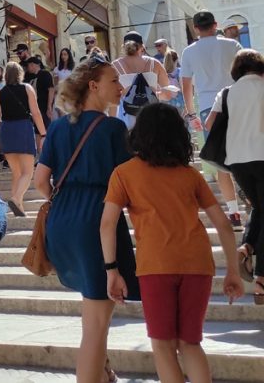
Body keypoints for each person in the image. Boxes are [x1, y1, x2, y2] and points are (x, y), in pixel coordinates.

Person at [102, 103, 243, 383]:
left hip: (156, 265)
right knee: (190, 342)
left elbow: (107, 224)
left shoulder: (124, 173)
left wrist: (112, 270)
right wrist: (233, 272)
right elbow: (224, 225)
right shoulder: (189, 175)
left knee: (163, 346)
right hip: (197, 264)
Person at [33, 56, 139, 383]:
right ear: (93, 86)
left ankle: (104, 372)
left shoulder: (59, 126)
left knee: (91, 310)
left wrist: (62, 202)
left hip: (62, 218)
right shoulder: (113, 128)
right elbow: (129, 183)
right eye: (113, 81)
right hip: (97, 219)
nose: (121, 87)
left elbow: (40, 181)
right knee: (97, 323)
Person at [205, 49, 264, 304]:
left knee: (260, 209)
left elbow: (209, 124)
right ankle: (261, 278)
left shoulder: (226, 92)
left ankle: (247, 247)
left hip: (238, 161)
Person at [181, 10, 243, 229]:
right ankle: (252, 201)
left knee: (220, 160)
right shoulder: (233, 46)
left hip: (209, 107)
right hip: (237, 102)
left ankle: (234, 214)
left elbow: (186, 84)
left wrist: (190, 112)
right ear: (215, 24)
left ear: (196, 28)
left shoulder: (189, 51)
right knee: (246, 153)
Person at [0, 62, 46, 217]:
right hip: (23, 129)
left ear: (6, 75)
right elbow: (36, 113)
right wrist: (44, 134)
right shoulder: (27, 88)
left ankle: (19, 208)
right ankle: (15, 198)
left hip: (6, 131)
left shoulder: (0, 93)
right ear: (20, 74)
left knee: (16, 172)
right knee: (28, 172)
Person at [111, 31, 173, 130]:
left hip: (126, 119)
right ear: (142, 47)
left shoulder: (115, 66)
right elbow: (168, 95)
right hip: (151, 117)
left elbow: (112, 100)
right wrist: (153, 94)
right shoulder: (155, 63)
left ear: (124, 47)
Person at [25, 56, 55, 126]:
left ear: (33, 65)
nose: (28, 68)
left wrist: (49, 106)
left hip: (43, 107)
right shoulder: (28, 76)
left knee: (44, 127)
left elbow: (51, 89)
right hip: (31, 108)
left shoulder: (45, 74)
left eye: (28, 65)